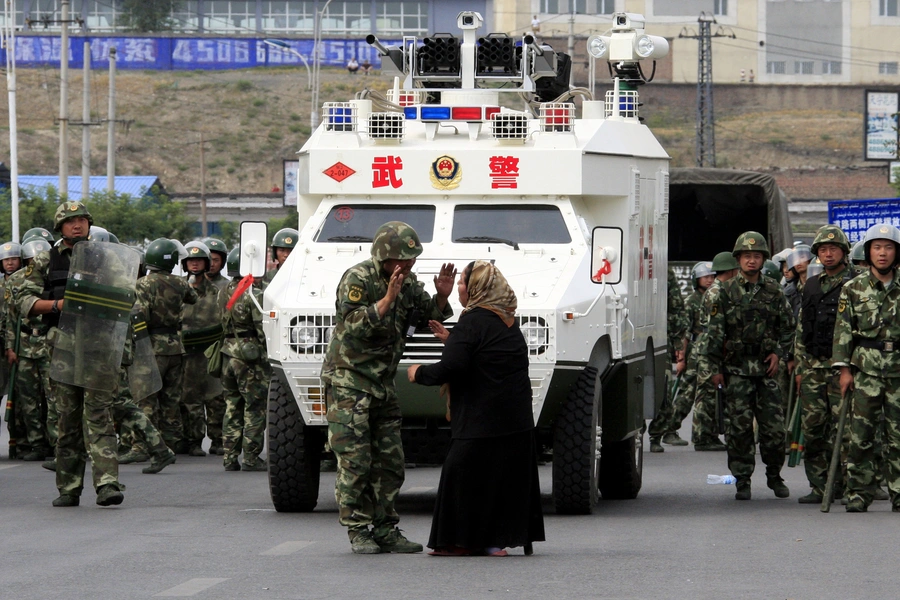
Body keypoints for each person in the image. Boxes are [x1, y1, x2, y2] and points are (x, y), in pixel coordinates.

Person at [322, 221, 455, 554]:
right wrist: (386, 301)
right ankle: (358, 530)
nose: (407, 265)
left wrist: (441, 295)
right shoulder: (358, 279)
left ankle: (385, 527)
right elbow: (351, 325)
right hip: (350, 380)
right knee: (355, 460)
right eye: (401, 259)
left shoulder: (409, 283)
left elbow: (428, 317)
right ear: (384, 255)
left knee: (391, 461)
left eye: (411, 259)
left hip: (382, 383)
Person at [407, 260, 544, 557]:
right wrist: (452, 339)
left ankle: (462, 542)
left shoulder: (473, 321)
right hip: (515, 419)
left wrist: (418, 373)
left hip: (482, 419)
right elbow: (483, 353)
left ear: (477, 288)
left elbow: (453, 366)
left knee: (463, 475)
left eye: (462, 283)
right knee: (498, 479)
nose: (459, 288)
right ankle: (496, 542)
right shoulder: (505, 320)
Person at [18, 201, 129, 507]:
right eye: (70, 221)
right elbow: (24, 301)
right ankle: (68, 487)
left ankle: (107, 484)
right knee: (67, 419)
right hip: (62, 347)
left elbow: (126, 296)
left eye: (82, 220)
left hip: (99, 346)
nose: (77, 225)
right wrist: (57, 306)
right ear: (60, 227)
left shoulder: (106, 257)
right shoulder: (45, 260)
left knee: (99, 416)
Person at [703, 231, 794, 500]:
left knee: (774, 430)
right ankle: (742, 480)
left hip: (766, 370)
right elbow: (714, 333)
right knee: (739, 430)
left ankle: (775, 476)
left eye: (756, 256)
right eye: (746, 256)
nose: (751, 261)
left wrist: (779, 353)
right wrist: (714, 369)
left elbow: (788, 327)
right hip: (735, 370)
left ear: (763, 259)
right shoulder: (724, 291)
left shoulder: (774, 289)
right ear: (738, 260)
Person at [833, 223, 900, 513]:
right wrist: (844, 370)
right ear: (868, 251)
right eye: (877, 247)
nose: (882, 253)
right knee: (860, 436)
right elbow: (843, 331)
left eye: (888, 247)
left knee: (898, 437)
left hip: (898, 370)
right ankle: (859, 492)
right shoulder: (853, 288)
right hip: (865, 370)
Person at [793, 225, 854, 504]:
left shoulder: (856, 282)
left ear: (844, 252)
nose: (828, 254)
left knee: (847, 431)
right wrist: (800, 367)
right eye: (823, 250)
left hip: (843, 368)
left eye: (833, 249)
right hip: (813, 368)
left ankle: (849, 485)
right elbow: (801, 329)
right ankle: (820, 486)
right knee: (814, 429)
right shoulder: (811, 285)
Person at [134, 238, 199, 454]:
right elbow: (193, 297)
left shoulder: (143, 283)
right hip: (175, 346)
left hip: (151, 346)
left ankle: (144, 446)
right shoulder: (181, 283)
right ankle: (172, 443)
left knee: (146, 397)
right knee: (171, 399)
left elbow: (140, 314)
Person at [218, 246, 269, 472]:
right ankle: (251, 457)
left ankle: (229, 457)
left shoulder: (223, 291)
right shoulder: (253, 294)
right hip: (248, 357)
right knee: (254, 407)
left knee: (232, 406)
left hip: (226, 352)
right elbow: (262, 329)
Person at [179, 241, 223, 457]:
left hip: (210, 351)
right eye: (190, 261)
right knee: (190, 397)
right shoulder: (179, 289)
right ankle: (193, 440)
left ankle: (218, 439)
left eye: (199, 260)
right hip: (187, 353)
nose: (194, 264)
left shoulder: (216, 292)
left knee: (216, 396)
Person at [691, 252, 739, 451]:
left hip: (711, 350)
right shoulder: (717, 292)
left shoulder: (718, 290)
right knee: (707, 396)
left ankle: (708, 435)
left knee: (711, 395)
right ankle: (703, 437)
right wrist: (715, 361)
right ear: (731, 270)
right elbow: (714, 331)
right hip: (710, 352)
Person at [666, 261, 716, 449]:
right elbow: (685, 332)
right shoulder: (692, 301)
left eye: (712, 276)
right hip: (695, 351)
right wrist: (681, 359)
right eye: (706, 277)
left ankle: (705, 432)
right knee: (686, 394)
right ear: (697, 279)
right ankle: (670, 428)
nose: (710, 280)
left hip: (708, 351)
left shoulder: (714, 297)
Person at [647, 266, 687, 452]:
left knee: (663, 390)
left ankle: (656, 435)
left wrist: (678, 342)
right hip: (629, 336)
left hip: (659, 338)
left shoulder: (664, 271)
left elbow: (677, 307)